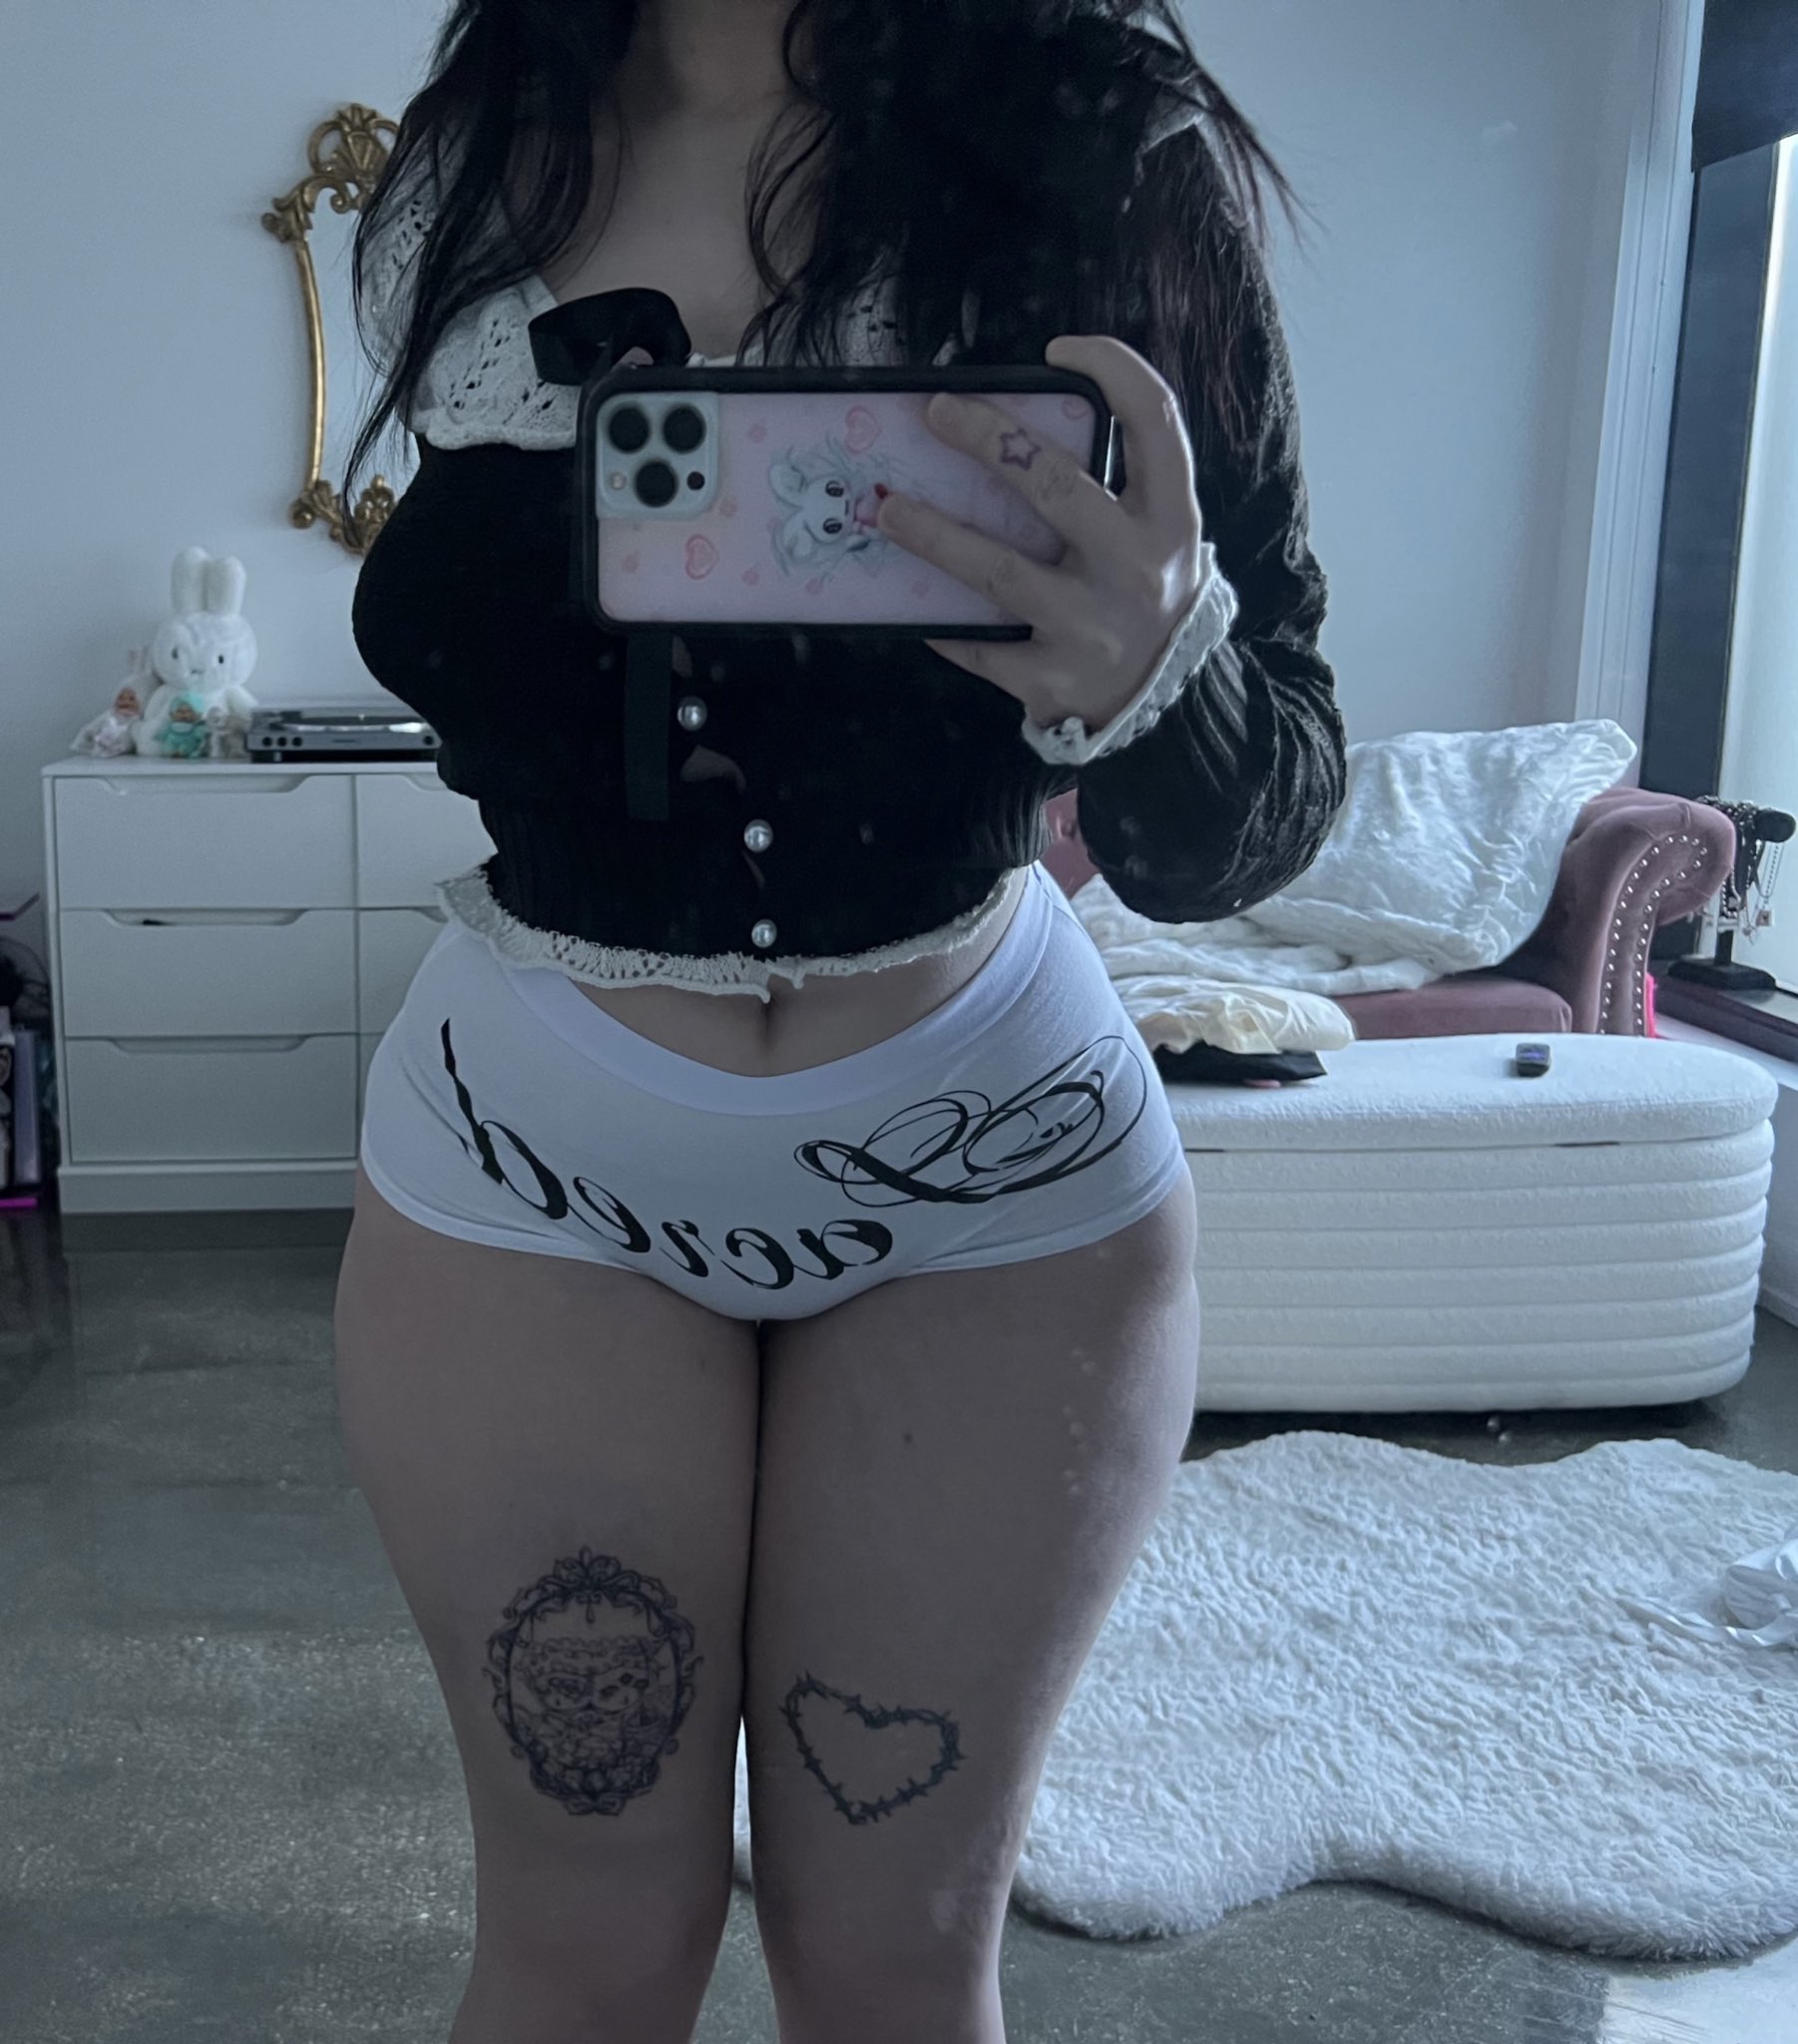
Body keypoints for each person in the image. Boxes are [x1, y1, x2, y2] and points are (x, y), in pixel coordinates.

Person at [332, 3, 1347, 2040]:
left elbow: (1255, 813)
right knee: (581, 1954)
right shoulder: (473, 159)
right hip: (536, 1156)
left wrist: (1160, 674)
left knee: (895, 1963)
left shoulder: (1103, 152)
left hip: (1000, 1178)